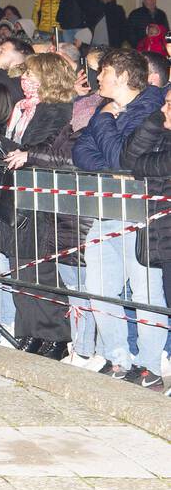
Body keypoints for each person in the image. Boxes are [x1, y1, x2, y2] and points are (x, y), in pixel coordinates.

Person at [75, 48, 167, 382]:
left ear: (124, 77)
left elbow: (123, 159)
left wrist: (104, 123)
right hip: (106, 209)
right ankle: (117, 359)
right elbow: (80, 150)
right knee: (99, 288)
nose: (97, 76)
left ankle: (150, 366)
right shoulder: (107, 109)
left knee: (145, 294)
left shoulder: (150, 106)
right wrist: (112, 165)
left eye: (104, 71)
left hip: (142, 214)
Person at [0, 53, 78, 357]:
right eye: (24, 74)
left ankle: (55, 336)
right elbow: (14, 150)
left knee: (41, 271)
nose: (24, 80)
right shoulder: (21, 110)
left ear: (50, 77)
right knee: (20, 270)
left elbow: (51, 148)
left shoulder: (57, 109)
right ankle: (28, 331)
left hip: (42, 201)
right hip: (17, 197)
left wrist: (2, 143)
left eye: (31, 75)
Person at [120, 86, 171, 391]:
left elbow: (151, 167)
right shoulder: (161, 133)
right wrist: (155, 120)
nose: (166, 107)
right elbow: (130, 158)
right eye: (166, 101)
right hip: (164, 233)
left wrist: (141, 168)